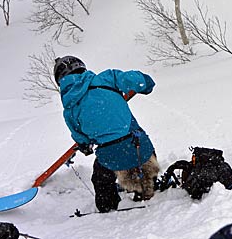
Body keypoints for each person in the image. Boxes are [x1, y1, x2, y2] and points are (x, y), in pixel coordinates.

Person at [53, 56, 160, 213]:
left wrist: (86, 146)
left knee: (101, 177)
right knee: (141, 143)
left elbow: (82, 139)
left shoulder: (70, 109)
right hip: (139, 147)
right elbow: (138, 80)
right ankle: (146, 188)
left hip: (111, 156)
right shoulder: (106, 78)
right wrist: (146, 84)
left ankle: (106, 205)